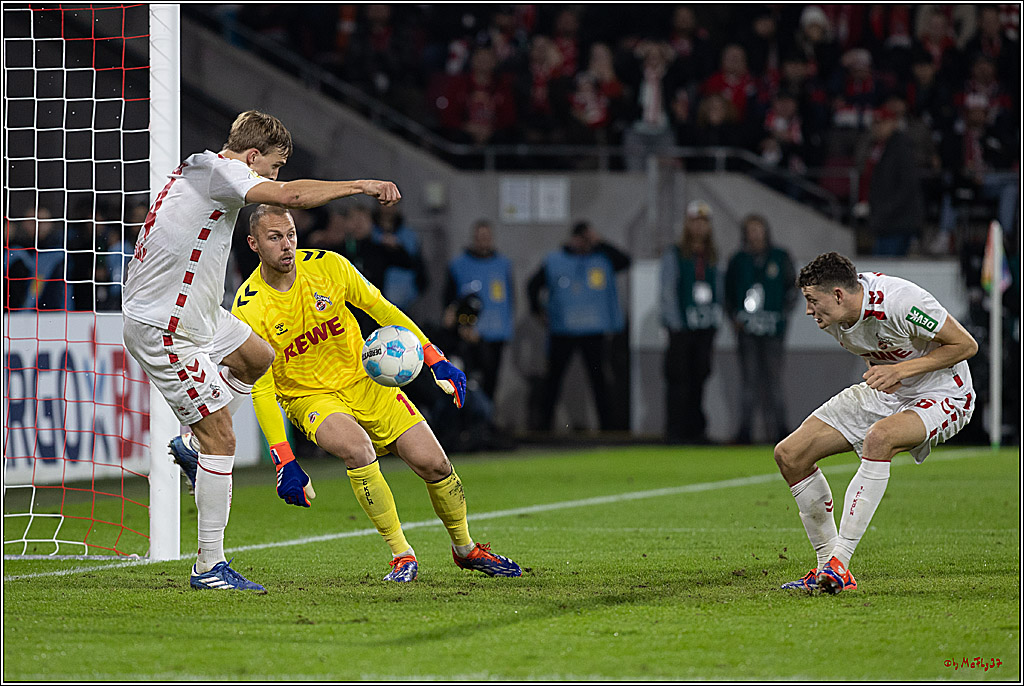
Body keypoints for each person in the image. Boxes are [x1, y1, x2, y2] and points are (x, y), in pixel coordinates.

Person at [124, 109, 401, 591]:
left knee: (258, 356)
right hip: (165, 327)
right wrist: (360, 184)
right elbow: (290, 195)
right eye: (272, 168)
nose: (274, 179)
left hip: (198, 314)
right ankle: (209, 566)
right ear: (252, 158)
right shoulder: (224, 172)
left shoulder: (202, 168)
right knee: (223, 440)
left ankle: (192, 446)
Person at [226, 204, 521, 582]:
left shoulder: (328, 265)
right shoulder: (249, 308)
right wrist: (283, 458)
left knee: (435, 464)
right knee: (357, 449)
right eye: (274, 238)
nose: (286, 245)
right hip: (309, 397)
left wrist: (434, 357)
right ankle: (402, 554)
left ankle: (466, 550)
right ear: (253, 243)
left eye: (290, 235)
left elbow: (381, 308)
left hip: (366, 382)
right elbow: (262, 388)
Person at [776, 252, 977, 594]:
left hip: (944, 392)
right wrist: (894, 375)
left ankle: (841, 561)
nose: (809, 311)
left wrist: (900, 371)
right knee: (790, 454)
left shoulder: (901, 301)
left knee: (879, 438)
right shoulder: (836, 316)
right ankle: (829, 568)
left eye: (813, 301)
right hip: (888, 391)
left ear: (839, 295)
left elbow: (965, 344)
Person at [527, 220, 630, 432]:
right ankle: (544, 427)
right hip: (562, 331)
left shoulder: (601, 259)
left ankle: (608, 428)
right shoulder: (555, 261)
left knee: (599, 381)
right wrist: (538, 312)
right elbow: (532, 286)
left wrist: (599, 242)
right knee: (553, 380)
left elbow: (625, 261)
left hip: (593, 332)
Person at [724, 215, 796, 444]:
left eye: (758, 230)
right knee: (749, 382)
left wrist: (782, 314)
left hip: (773, 331)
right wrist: (734, 317)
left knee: (774, 382)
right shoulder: (738, 260)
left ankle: (781, 431)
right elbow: (727, 293)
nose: (755, 235)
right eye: (750, 230)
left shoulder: (780, 257)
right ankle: (745, 431)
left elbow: (792, 289)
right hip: (746, 331)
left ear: (766, 231)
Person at [660, 201, 721, 444]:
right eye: (695, 221)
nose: (699, 227)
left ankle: (696, 430)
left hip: (705, 327)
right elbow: (667, 290)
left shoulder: (711, 256)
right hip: (682, 327)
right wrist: (675, 323)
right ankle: (676, 430)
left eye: (704, 222)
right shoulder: (675, 254)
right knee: (679, 379)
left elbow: (717, 289)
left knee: (700, 378)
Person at [444, 219, 514, 401]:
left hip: (496, 334)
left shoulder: (503, 264)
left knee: (492, 380)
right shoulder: (459, 265)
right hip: (469, 335)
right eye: (480, 237)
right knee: (469, 380)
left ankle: (487, 421)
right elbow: (449, 300)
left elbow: (510, 298)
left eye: (487, 237)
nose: (483, 241)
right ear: (474, 238)